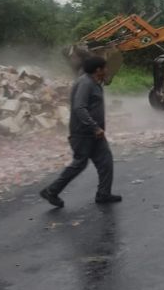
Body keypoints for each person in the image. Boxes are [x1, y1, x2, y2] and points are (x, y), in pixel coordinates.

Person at [40, 56, 121, 207]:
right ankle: (51, 191)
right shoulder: (85, 83)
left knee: (106, 162)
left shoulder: (94, 82)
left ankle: (103, 194)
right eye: (105, 68)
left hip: (95, 134)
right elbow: (79, 107)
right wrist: (94, 127)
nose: (107, 70)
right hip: (83, 133)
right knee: (79, 164)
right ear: (98, 70)